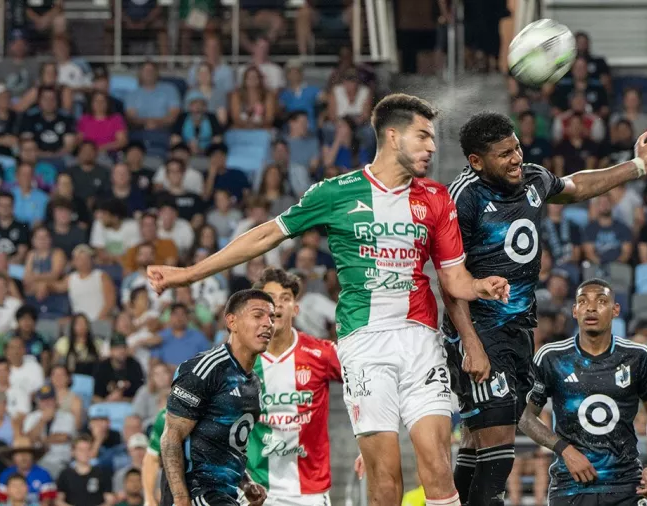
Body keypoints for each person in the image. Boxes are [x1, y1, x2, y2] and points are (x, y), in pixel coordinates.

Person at [148, 94, 511, 506]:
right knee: (386, 480)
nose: (432, 147)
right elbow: (267, 234)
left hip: (421, 341)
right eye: (423, 136)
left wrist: (481, 286)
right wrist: (190, 273)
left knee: (438, 470)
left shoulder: (436, 197)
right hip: (364, 344)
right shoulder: (336, 193)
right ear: (392, 136)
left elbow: (454, 279)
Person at [442, 112, 647, 506]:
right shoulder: (465, 196)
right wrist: (471, 344)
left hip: (517, 330)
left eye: (516, 148)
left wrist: (635, 166)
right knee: (497, 436)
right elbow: (449, 278)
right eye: (504, 154)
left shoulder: (531, 177)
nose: (516, 159)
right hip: (478, 327)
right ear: (477, 161)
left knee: (479, 440)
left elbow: (576, 187)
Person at [518, 278, 647, 505]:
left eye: (602, 301)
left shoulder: (638, 357)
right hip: (570, 486)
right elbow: (525, 417)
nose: (591, 307)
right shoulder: (551, 357)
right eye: (583, 301)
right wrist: (565, 451)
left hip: (627, 486)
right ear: (575, 311)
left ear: (616, 310)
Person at [160, 289, 272, 506]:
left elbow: (230, 446)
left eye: (271, 317)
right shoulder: (204, 370)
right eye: (258, 315)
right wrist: (181, 498)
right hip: (197, 492)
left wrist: (246, 484)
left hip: (224, 495)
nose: (268, 323)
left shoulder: (253, 382)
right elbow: (171, 437)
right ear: (232, 322)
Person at [246, 268, 341, 504]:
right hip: (256, 491)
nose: (277, 305)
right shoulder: (242, 360)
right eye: (270, 298)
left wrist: (369, 442)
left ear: (295, 309)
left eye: (285, 299)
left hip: (309, 492)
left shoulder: (322, 353)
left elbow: (364, 383)